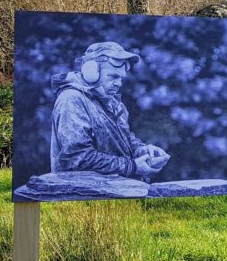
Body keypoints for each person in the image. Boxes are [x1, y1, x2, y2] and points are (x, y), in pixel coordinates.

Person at [49, 41, 169, 180]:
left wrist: (142, 151)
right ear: (91, 72)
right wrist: (132, 167)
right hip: (84, 196)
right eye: (113, 76)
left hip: (114, 190)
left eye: (121, 78)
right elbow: (79, 158)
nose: (119, 83)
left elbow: (125, 139)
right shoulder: (72, 99)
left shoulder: (112, 102)